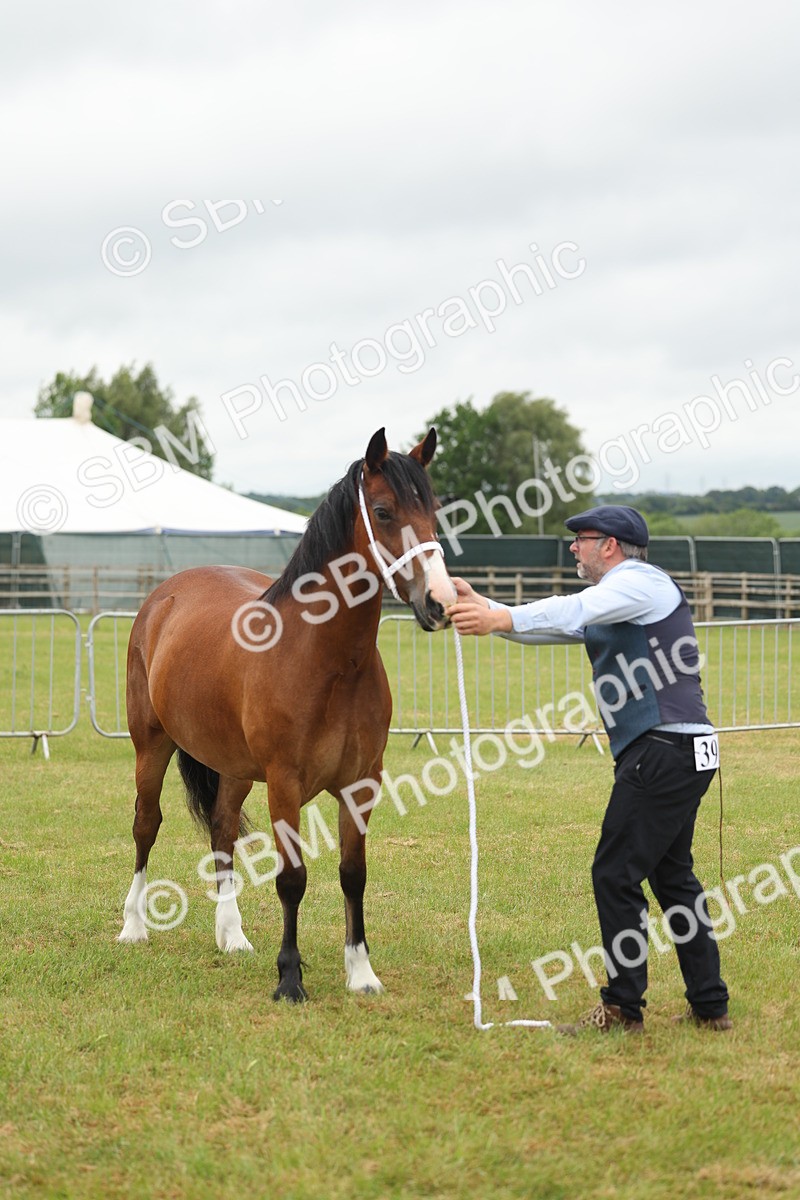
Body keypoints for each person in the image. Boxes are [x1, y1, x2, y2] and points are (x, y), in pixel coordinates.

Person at [446, 504, 731, 1035]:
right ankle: (710, 1006)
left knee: (614, 874)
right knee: (673, 879)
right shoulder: (617, 600)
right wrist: (486, 610)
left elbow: (571, 610)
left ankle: (623, 1008)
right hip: (679, 750)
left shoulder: (639, 583)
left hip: (662, 750)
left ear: (612, 546)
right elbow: (548, 628)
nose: (573, 547)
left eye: (583, 539)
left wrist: (498, 617)